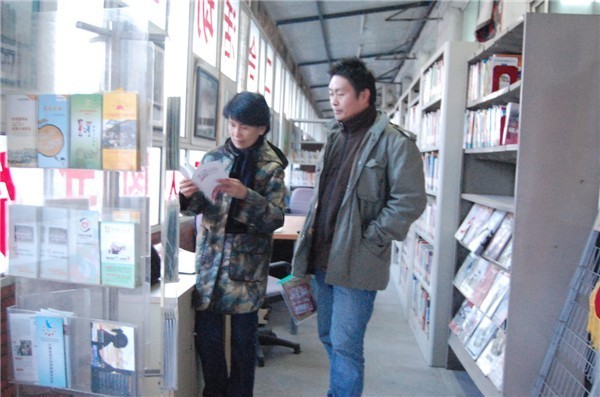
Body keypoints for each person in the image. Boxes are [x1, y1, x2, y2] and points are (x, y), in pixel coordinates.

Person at [292, 57, 427, 397]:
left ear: (364, 95)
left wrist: (371, 239)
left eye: (340, 93)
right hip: (323, 258)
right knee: (328, 337)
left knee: (346, 346)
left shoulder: (396, 143)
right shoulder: (336, 137)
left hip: (357, 261)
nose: (333, 100)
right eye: (331, 93)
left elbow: (409, 201)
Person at [179, 92, 288, 397]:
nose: (237, 133)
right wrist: (188, 195)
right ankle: (215, 391)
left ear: (261, 128)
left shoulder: (271, 167)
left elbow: (275, 218)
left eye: (245, 127)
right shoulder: (214, 157)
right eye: (232, 124)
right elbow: (198, 207)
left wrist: (245, 195)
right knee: (208, 337)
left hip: (246, 267)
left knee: (243, 342)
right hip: (211, 262)